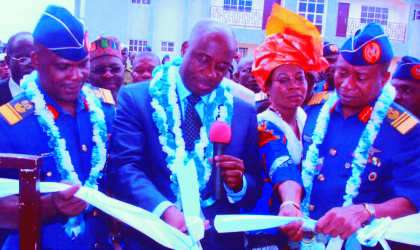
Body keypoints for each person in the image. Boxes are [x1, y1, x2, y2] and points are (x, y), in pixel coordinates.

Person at [108, 18, 262, 250]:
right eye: (203, 60)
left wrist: (239, 184)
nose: (211, 74)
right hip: (153, 238)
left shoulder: (242, 112)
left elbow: (254, 184)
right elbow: (124, 168)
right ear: (185, 49)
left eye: (222, 67)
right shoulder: (136, 99)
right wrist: (163, 210)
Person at [0, 5, 115, 250]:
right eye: (63, 67)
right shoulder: (10, 121)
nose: (77, 76)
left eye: (83, 64)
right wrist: (50, 205)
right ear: (37, 61)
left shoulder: (105, 109)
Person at [299, 23, 420, 249]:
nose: (347, 85)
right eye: (341, 73)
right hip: (305, 238)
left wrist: (367, 211)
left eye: (361, 78)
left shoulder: (406, 130)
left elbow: (411, 201)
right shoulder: (316, 108)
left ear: (384, 79)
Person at [245, 5, 328, 249]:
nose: (294, 86)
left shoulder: (311, 118)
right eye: (283, 79)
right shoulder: (263, 125)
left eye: (299, 77)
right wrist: (291, 203)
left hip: (304, 226)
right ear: (266, 87)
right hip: (268, 229)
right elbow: (280, 163)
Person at [0, 32, 34, 106]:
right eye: (23, 59)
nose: (32, 64)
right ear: (8, 61)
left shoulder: (53, 93)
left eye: (36, 58)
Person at [89, 37, 124, 101]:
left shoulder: (133, 104)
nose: (108, 75)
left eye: (115, 69)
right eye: (99, 70)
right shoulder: (80, 107)